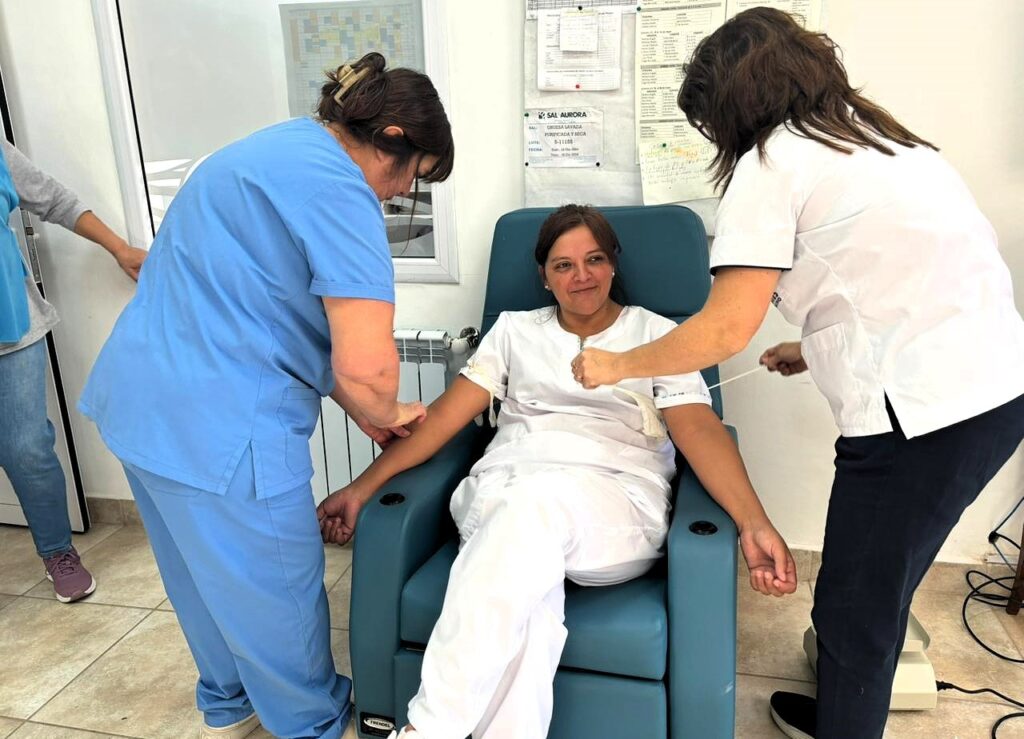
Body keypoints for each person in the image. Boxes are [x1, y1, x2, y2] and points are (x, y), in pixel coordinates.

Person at [571, 9, 1024, 739]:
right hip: (993, 392)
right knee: (876, 586)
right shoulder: (884, 142)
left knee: (855, 605)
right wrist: (810, 348)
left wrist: (617, 363)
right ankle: (845, 706)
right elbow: (905, 283)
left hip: (925, 417)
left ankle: (847, 721)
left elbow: (724, 329)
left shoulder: (774, 162)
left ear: (734, 102)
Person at [78, 52, 452, 739]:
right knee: (277, 592)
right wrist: (386, 410)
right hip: (222, 429)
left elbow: (265, 306)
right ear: (392, 138)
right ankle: (311, 723)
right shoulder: (342, 192)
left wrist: (358, 409)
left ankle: (230, 704)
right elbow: (370, 369)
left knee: (201, 575)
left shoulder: (261, 150)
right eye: (412, 175)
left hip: (137, 404)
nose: (402, 193)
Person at [317, 204, 798, 739]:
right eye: (563, 265)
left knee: (532, 514)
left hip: (614, 508)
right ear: (543, 276)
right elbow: (441, 423)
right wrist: (360, 489)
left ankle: (429, 728)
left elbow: (701, 432)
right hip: (504, 491)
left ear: (613, 263)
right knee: (527, 601)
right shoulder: (513, 332)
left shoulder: (658, 335)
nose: (581, 276)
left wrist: (754, 523)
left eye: (594, 259)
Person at [0, 138, 146, 603]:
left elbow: (53, 198)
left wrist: (119, 248)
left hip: (12, 327)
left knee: (27, 450)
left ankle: (57, 552)